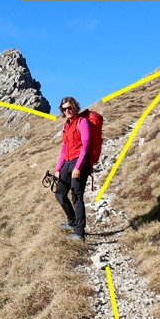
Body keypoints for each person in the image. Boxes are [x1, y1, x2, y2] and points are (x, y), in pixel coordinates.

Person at [55, 96, 91, 241]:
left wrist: (78, 167)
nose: (67, 111)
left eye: (69, 107)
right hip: (67, 163)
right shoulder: (67, 125)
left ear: (75, 107)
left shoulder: (82, 122)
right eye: (64, 109)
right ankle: (72, 222)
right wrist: (58, 169)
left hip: (79, 163)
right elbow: (64, 149)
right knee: (60, 194)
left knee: (76, 197)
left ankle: (80, 233)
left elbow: (86, 146)